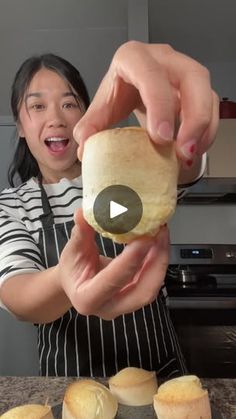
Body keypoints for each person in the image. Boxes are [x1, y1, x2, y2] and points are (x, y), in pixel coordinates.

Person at [0, 41, 218, 377]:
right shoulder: (12, 205)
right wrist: (66, 278)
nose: (56, 118)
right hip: (73, 387)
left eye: (69, 103)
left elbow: (182, 168)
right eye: (38, 106)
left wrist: (173, 125)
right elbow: (17, 295)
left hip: (161, 375)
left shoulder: (125, 168)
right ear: (19, 126)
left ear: (88, 115)